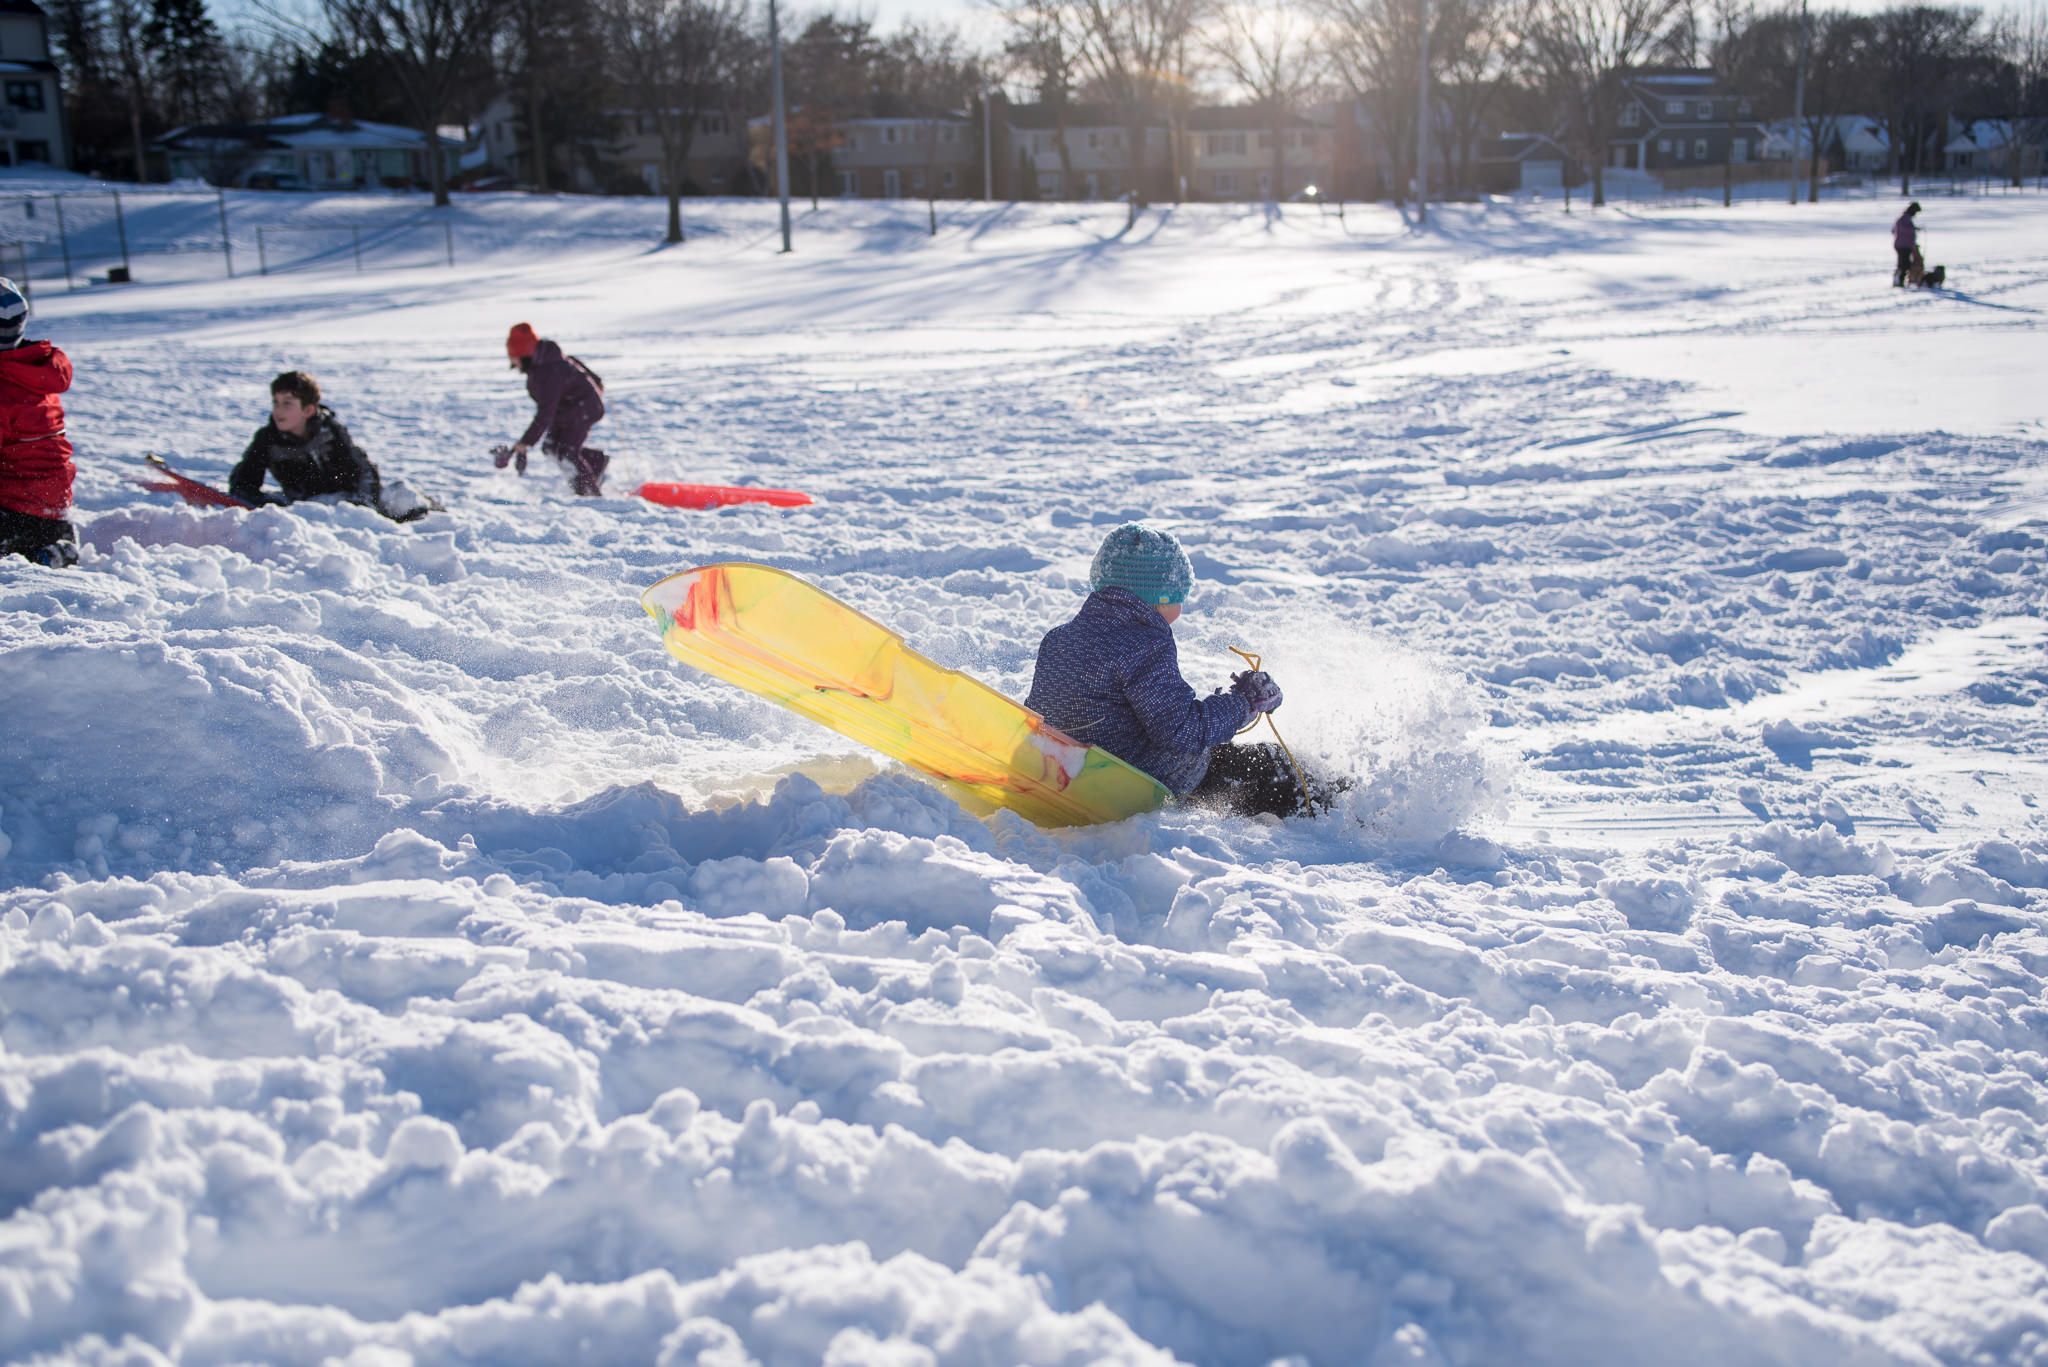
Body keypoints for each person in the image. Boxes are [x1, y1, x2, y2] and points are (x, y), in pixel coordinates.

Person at [1024, 522, 1320, 819]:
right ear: (1161, 597)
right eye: (1181, 594)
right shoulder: (1144, 645)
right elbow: (1180, 730)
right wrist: (1244, 702)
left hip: (1072, 771)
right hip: (1141, 779)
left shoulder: (1060, 638)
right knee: (1271, 766)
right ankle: (1334, 811)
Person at [229, 370, 424, 518]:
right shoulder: (267, 439)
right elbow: (244, 482)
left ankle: (434, 522)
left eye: (287, 403)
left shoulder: (330, 431)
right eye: (275, 402)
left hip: (349, 501)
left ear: (308, 410)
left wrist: (364, 502)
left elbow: (364, 469)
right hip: (306, 506)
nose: (278, 410)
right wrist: (261, 505)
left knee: (404, 496)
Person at [0, 277, 79, 568]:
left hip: (16, 512)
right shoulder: (33, 369)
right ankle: (55, 544)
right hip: (50, 510)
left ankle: (33, 554)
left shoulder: (5, 387)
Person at [500, 322, 608, 496]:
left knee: (567, 453)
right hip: (568, 410)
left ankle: (590, 496)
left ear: (524, 354)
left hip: (584, 408)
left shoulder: (549, 370)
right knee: (551, 447)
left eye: (514, 358)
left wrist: (525, 443)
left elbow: (545, 412)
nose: (513, 363)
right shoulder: (544, 362)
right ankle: (596, 463)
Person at [1892, 202, 1921, 287]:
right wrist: (1913, 229)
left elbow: (1893, 230)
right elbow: (1905, 229)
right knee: (1905, 264)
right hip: (1904, 245)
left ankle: (1898, 280)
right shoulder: (1905, 218)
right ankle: (1900, 281)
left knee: (1902, 264)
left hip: (1901, 244)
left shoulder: (1903, 217)